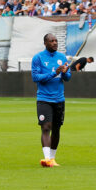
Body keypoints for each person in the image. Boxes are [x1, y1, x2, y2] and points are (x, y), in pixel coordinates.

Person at [31, 33, 72, 168]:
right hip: (44, 99)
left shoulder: (62, 57)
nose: (55, 43)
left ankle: (52, 159)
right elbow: (36, 77)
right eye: (52, 41)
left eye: (56, 41)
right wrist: (54, 73)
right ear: (45, 43)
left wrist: (65, 72)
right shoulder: (38, 58)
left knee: (56, 129)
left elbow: (68, 78)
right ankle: (47, 158)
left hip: (59, 99)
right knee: (46, 127)